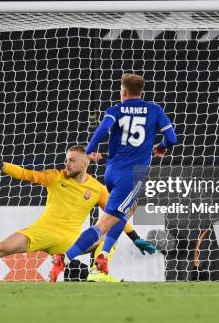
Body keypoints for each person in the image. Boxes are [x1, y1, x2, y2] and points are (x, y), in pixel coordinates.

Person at [0, 145, 155, 283]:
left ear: (86, 162)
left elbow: (114, 216)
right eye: (66, 159)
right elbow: (27, 174)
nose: (66, 163)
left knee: (105, 237)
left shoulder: (97, 189)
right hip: (41, 232)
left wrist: (135, 238)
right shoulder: (55, 177)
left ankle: (98, 273)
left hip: (69, 241)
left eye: (72, 160)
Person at [50, 73, 177, 281]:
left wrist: (89, 151)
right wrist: (161, 147)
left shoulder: (115, 110)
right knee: (104, 225)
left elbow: (103, 130)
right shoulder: (154, 110)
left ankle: (102, 258)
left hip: (111, 172)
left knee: (129, 209)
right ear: (140, 91)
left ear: (124, 92)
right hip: (132, 177)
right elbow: (172, 138)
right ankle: (66, 259)